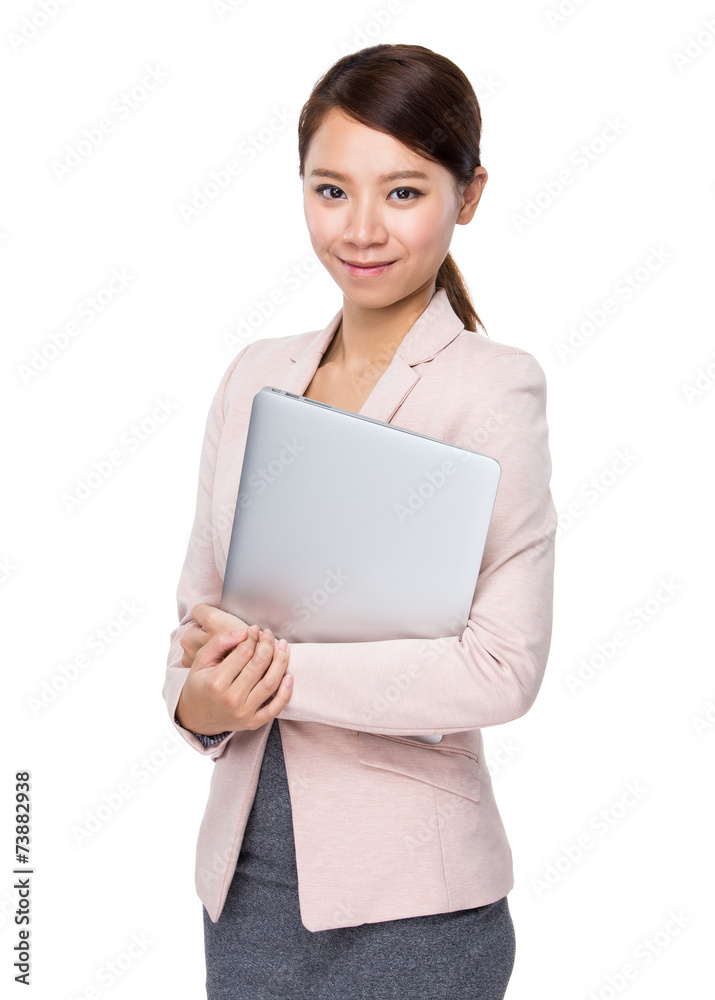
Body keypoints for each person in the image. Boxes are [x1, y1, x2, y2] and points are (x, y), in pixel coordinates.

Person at [163, 42, 557, 1000]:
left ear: (468, 196)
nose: (362, 228)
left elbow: (500, 668)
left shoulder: (493, 386)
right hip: (245, 889)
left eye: (405, 192)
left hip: (414, 905)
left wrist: (280, 673)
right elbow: (194, 627)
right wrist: (200, 707)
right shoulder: (254, 374)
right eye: (331, 190)